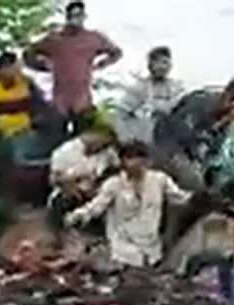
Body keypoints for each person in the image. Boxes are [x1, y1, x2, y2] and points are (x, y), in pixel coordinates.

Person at [66, 140, 192, 270]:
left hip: (152, 249)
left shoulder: (160, 180)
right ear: (122, 162)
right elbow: (95, 207)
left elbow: (181, 198)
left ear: (147, 160)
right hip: (123, 250)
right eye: (130, 157)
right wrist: (77, 216)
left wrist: (201, 198)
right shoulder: (114, 185)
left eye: (139, 157)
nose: (136, 162)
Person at [24, 1, 121, 136]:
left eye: (80, 15)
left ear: (84, 17)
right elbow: (28, 53)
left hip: (82, 97)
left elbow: (116, 52)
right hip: (60, 97)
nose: (77, 19)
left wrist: (101, 64)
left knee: (83, 137)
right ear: (67, 17)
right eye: (73, 15)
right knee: (56, 136)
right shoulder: (55, 39)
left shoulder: (93, 38)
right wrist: (41, 66)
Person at [114, 46, 186, 149]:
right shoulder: (140, 88)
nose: (163, 67)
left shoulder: (177, 88)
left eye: (166, 62)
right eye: (159, 62)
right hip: (145, 142)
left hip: (170, 141)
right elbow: (121, 112)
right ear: (151, 65)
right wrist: (126, 135)